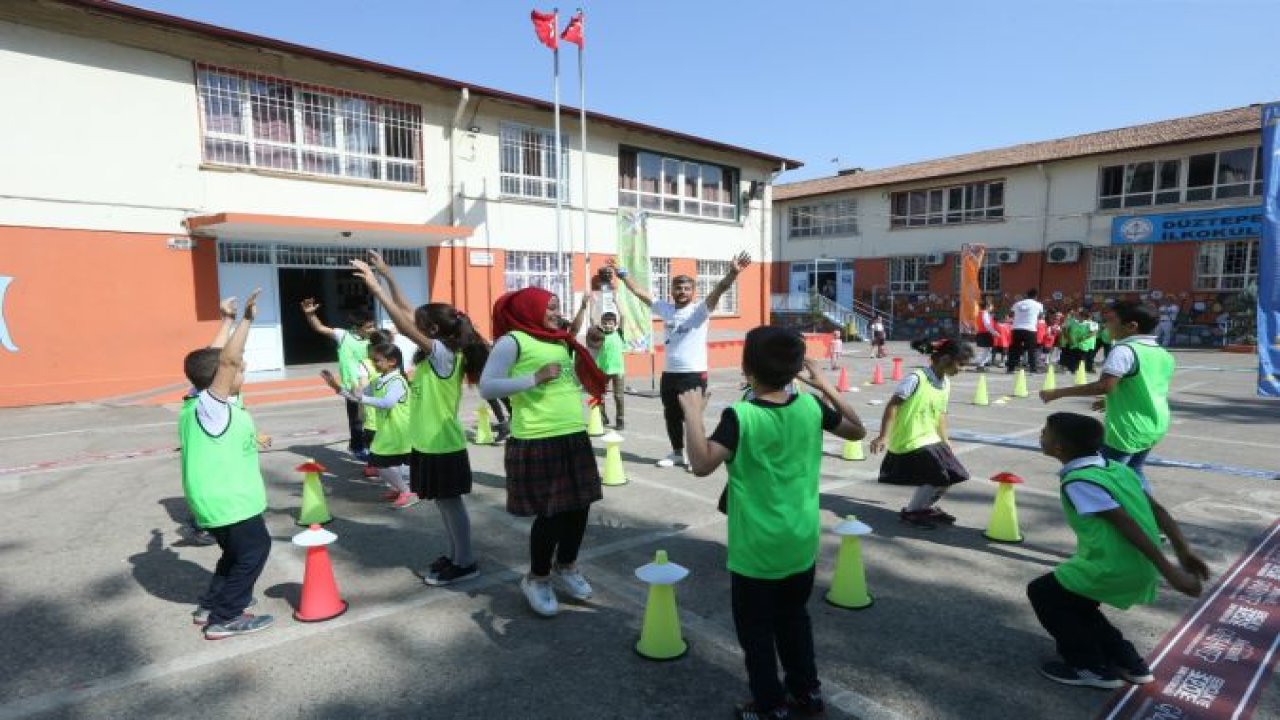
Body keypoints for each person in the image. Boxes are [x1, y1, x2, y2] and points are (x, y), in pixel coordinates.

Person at [679, 327, 866, 720]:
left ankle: (770, 706)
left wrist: (692, 415)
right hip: (800, 542)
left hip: (756, 550)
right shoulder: (811, 407)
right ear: (797, 368)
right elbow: (857, 429)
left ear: (747, 368)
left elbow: (700, 464)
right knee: (795, 621)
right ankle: (807, 694)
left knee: (758, 634)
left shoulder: (741, 415)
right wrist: (825, 385)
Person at [1028, 412, 1207, 688]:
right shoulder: (1115, 468)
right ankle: (1128, 661)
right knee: (1076, 603)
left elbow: (1126, 524)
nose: (1040, 436)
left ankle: (1089, 668)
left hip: (1113, 566)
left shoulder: (1080, 481)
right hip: (1129, 563)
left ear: (1059, 448)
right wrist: (1183, 550)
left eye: (1044, 433)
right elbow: (1157, 509)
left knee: (1044, 593)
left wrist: (1171, 570)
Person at [354, 253, 487, 585]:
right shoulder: (442, 350)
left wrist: (375, 287)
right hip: (429, 442)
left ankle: (466, 561)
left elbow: (403, 322)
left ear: (433, 330)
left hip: (442, 443)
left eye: (421, 324)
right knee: (443, 505)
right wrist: (387, 275)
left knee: (450, 504)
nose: (414, 322)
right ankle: (457, 556)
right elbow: (410, 313)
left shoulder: (444, 355)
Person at [479, 286, 610, 616]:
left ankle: (566, 567)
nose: (555, 312)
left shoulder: (560, 340)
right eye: (549, 307)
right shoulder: (513, 341)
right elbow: (487, 386)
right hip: (537, 438)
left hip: (572, 434)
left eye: (557, 306)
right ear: (529, 308)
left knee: (579, 509)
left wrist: (592, 350)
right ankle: (537, 578)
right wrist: (533, 378)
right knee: (550, 515)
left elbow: (573, 382)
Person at [180, 290, 275, 639]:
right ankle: (226, 616)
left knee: (235, 555)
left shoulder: (196, 398)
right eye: (240, 369)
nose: (242, 370)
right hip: (229, 499)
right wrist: (247, 320)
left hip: (214, 499)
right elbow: (226, 362)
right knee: (254, 552)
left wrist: (226, 321)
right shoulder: (212, 406)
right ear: (223, 375)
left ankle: (211, 603)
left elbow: (212, 360)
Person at [607, 252, 751, 468]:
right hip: (670, 373)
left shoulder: (700, 311)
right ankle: (677, 453)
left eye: (686, 288)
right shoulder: (666, 309)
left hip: (694, 373)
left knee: (692, 417)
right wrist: (622, 274)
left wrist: (732, 273)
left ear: (693, 292)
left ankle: (696, 456)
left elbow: (720, 289)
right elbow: (639, 292)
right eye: (678, 288)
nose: (682, 292)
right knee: (671, 416)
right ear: (672, 291)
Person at [1040, 302, 1174, 483]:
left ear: (1131, 326)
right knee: (1134, 471)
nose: (1105, 326)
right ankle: (1147, 509)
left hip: (1128, 428)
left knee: (1105, 478)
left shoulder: (1124, 351)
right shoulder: (1162, 353)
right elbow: (1146, 386)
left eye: (1111, 321)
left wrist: (1057, 392)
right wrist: (1110, 400)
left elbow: (1104, 386)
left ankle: (1119, 510)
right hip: (1155, 423)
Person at [869, 337, 974, 529]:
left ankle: (923, 508)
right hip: (910, 439)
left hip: (930, 438)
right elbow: (893, 406)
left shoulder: (945, 383)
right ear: (945, 359)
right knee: (937, 475)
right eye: (961, 364)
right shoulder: (916, 378)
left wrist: (946, 440)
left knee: (953, 474)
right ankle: (911, 512)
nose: (963, 369)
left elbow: (940, 415)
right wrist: (883, 436)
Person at [321, 342, 418, 509]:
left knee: (379, 463)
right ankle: (400, 489)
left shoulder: (397, 381)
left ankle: (407, 492)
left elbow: (387, 403)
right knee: (383, 464)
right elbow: (356, 396)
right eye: (373, 360)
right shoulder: (379, 381)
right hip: (388, 432)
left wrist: (362, 399)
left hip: (398, 431)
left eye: (378, 360)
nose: (374, 364)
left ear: (392, 361)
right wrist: (337, 387)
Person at [301, 298, 378, 461]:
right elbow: (319, 327)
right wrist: (311, 314)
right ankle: (357, 447)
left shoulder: (374, 339)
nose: (373, 329)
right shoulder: (343, 335)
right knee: (357, 419)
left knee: (372, 419)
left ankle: (371, 446)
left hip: (371, 385)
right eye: (369, 326)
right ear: (357, 328)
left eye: (373, 325)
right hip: (352, 387)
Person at [570, 294, 627, 430]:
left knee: (618, 396)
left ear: (615, 324)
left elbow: (623, 316)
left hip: (618, 370)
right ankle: (602, 417)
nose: (608, 325)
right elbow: (592, 319)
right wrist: (592, 303)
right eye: (605, 323)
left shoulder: (618, 333)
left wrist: (616, 301)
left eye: (610, 323)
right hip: (601, 370)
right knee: (598, 395)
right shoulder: (598, 334)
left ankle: (620, 419)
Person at [1007, 289, 1044, 373]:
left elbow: (1010, 314)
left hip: (1016, 329)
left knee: (1014, 349)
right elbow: (1041, 317)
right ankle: (1033, 369)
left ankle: (1010, 368)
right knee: (1031, 350)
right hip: (1030, 329)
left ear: (1027, 295)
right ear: (1036, 296)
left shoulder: (1017, 304)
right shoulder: (1039, 305)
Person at [974, 300, 997, 371]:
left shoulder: (978, 313)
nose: (992, 307)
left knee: (985, 350)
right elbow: (987, 324)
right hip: (985, 333)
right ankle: (981, 365)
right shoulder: (985, 313)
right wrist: (994, 332)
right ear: (987, 306)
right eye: (991, 306)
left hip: (980, 333)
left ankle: (981, 364)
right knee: (987, 350)